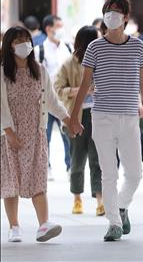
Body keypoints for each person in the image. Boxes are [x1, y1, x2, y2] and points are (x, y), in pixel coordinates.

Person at [68, 0, 143, 242]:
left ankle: (122, 207)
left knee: (135, 174)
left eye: (116, 11)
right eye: (108, 10)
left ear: (126, 17)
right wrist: (74, 117)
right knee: (109, 174)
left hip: (129, 118)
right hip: (102, 117)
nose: (111, 15)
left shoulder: (138, 46)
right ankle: (114, 223)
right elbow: (85, 84)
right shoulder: (95, 47)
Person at [1, 26, 80, 243]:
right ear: (9, 46)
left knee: (38, 179)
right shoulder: (2, 73)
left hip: (36, 135)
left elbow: (52, 101)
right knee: (11, 182)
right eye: (18, 40)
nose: (24, 44)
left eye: (26, 39)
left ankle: (44, 225)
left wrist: (69, 121)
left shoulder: (40, 70)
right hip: (9, 135)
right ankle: (14, 227)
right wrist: (9, 133)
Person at [54, 26, 104, 216]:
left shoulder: (102, 60)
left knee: (97, 160)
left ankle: (100, 199)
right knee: (77, 159)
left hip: (99, 115)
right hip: (76, 117)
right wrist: (80, 90)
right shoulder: (69, 63)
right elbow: (58, 89)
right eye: (97, 38)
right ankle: (77, 198)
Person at [35, 14, 72, 177]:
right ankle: (46, 166)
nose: (61, 30)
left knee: (68, 134)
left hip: (64, 99)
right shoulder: (39, 50)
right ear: (48, 28)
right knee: (45, 135)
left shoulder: (68, 48)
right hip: (45, 100)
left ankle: (70, 165)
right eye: (58, 26)